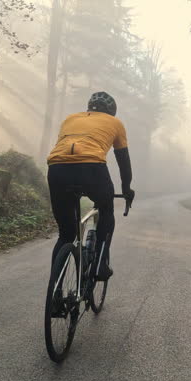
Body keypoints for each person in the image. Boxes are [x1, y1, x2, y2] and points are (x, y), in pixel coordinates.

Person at [46, 91, 134, 281]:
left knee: (66, 235)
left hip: (57, 168)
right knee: (106, 210)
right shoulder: (115, 123)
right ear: (111, 111)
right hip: (91, 168)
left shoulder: (70, 119)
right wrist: (127, 189)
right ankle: (100, 265)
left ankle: (56, 288)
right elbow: (123, 162)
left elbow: (65, 149)